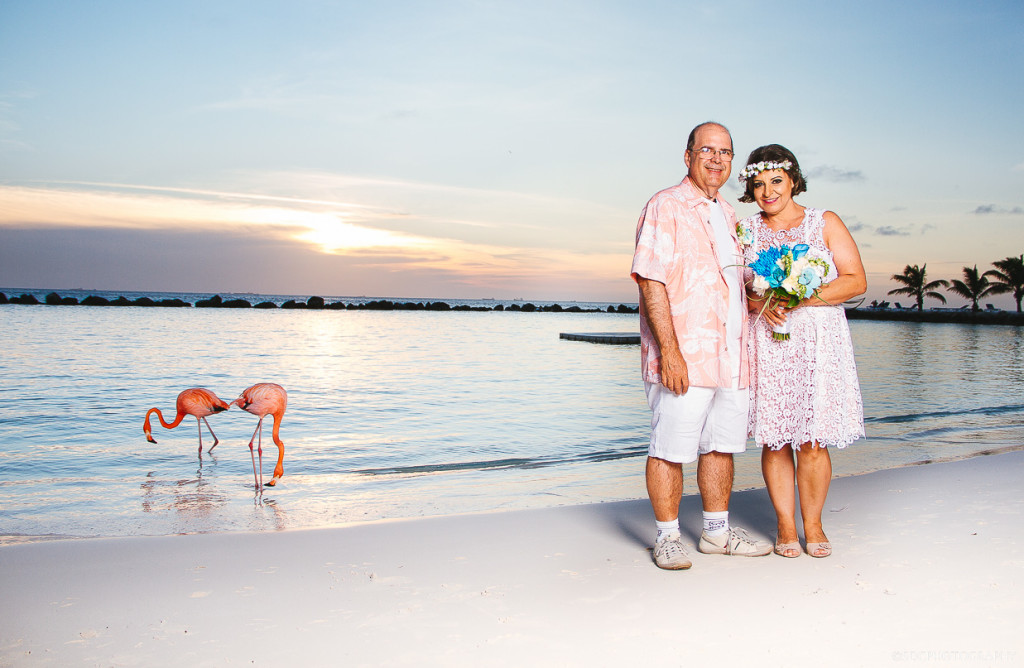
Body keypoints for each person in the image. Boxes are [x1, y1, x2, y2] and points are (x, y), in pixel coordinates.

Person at [631, 121, 772, 570]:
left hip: (732, 357)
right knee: (670, 447)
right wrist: (669, 352)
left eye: (725, 152)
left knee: (721, 447)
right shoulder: (665, 205)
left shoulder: (730, 216)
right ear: (688, 155)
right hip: (685, 355)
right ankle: (668, 537)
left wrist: (770, 298)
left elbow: (731, 287)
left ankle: (715, 532)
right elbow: (651, 280)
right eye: (707, 149)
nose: (717, 158)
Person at [737, 144, 866, 558]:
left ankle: (814, 523)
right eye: (758, 184)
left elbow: (855, 281)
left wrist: (800, 297)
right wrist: (758, 302)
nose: (767, 191)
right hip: (770, 342)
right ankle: (786, 525)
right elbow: (734, 289)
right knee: (775, 440)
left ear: (793, 180)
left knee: (812, 440)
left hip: (818, 343)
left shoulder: (823, 222)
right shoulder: (746, 231)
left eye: (775, 181)